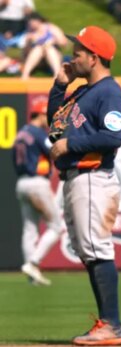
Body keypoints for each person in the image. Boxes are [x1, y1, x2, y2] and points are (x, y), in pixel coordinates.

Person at [47, 25, 121, 346]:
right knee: (87, 250)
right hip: (77, 179)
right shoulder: (83, 91)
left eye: (78, 52)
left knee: (96, 248)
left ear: (94, 58)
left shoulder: (109, 92)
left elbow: (113, 137)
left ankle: (112, 325)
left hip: (93, 177)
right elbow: (56, 123)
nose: (72, 57)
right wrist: (59, 86)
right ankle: (108, 323)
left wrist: (71, 145)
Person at [12, 98, 64, 286]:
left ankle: (31, 274)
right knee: (56, 226)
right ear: (40, 114)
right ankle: (33, 263)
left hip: (22, 183)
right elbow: (54, 150)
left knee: (30, 229)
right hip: (37, 183)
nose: (47, 118)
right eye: (45, 115)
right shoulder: (37, 132)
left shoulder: (21, 133)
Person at [20, 12, 66, 80]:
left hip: (53, 56)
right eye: (29, 23)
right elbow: (24, 53)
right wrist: (29, 42)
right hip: (37, 59)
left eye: (32, 22)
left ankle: (57, 74)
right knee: (38, 48)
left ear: (39, 20)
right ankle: (25, 75)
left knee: (49, 49)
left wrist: (53, 41)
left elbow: (63, 42)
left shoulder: (51, 28)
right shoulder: (29, 33)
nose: (31, 24)